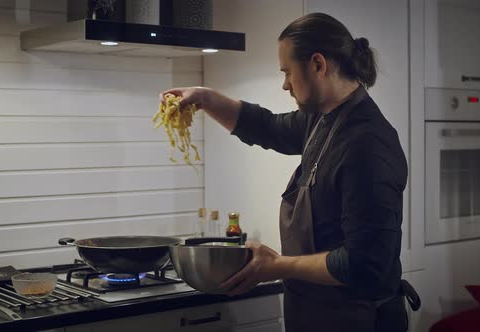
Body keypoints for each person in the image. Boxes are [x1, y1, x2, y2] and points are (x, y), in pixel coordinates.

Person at [160, 13, 409, 332]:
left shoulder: (368, 143)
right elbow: (266, 127)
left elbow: (363, 264)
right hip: (316, 315)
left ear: (318, 64)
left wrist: (276, 266)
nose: (285, 84)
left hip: (359, 319)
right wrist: (204, 98)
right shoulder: (323, 119)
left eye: (288, 72)